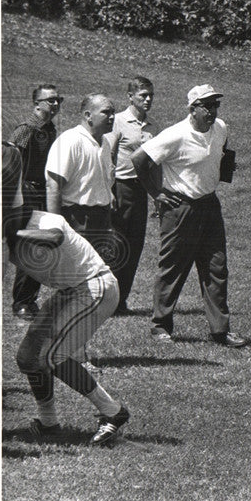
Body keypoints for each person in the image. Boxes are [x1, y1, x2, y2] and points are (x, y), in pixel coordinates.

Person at [3, 149, 130, 446]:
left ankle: (113, 412)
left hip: (94, 288)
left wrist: (14, 234)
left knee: (52, 357)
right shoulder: (7, 234)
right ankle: (48, 423)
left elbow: (54, 238)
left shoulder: (45, 222)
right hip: (71, 291)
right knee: (27, 358)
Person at [130, 83, 246, 348]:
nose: (213, 111)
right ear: (193, 109)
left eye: (216, 105)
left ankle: (220, 330)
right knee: (172, 267)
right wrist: (156, 193)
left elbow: (221, 151)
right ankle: (160, 326)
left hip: (209, 205)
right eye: (207, 106)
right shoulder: (175, 135)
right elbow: (139, 159)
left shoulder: (220, 128)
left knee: (216, 267)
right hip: (180, 208)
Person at [9, 83, 62, 319]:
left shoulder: (51, 129)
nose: (56, 103)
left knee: (41, 246)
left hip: (44, 191)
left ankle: (30, 300)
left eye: (58, 99)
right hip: (27, 192)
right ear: (36, 103)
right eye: (50, 100)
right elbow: (10, 161)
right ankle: (21, 302)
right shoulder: (26, 129)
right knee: (30, 247)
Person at [45, 93, 117, 254]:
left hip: (101, 219)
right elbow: (53, 186)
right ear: (88, 115)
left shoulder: (105, 143)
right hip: (77, 220)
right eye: (106, 112)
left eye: (113, 112)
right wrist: (57, 226)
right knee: (73, 274)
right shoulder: (70, 141)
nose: (112, 117)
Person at [110, 77, 158, 314]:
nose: (148, 99)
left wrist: (157, 195)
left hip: (140, 191)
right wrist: (108, 190)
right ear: (130, 97)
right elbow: (107, 157)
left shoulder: (151, 126)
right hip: (119, 188)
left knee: (135, 245)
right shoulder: (118, 121)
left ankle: (121, 301)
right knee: (117, 244)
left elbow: (153, 164)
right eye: (142, 95)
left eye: (150, 95)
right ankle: (107, 300)